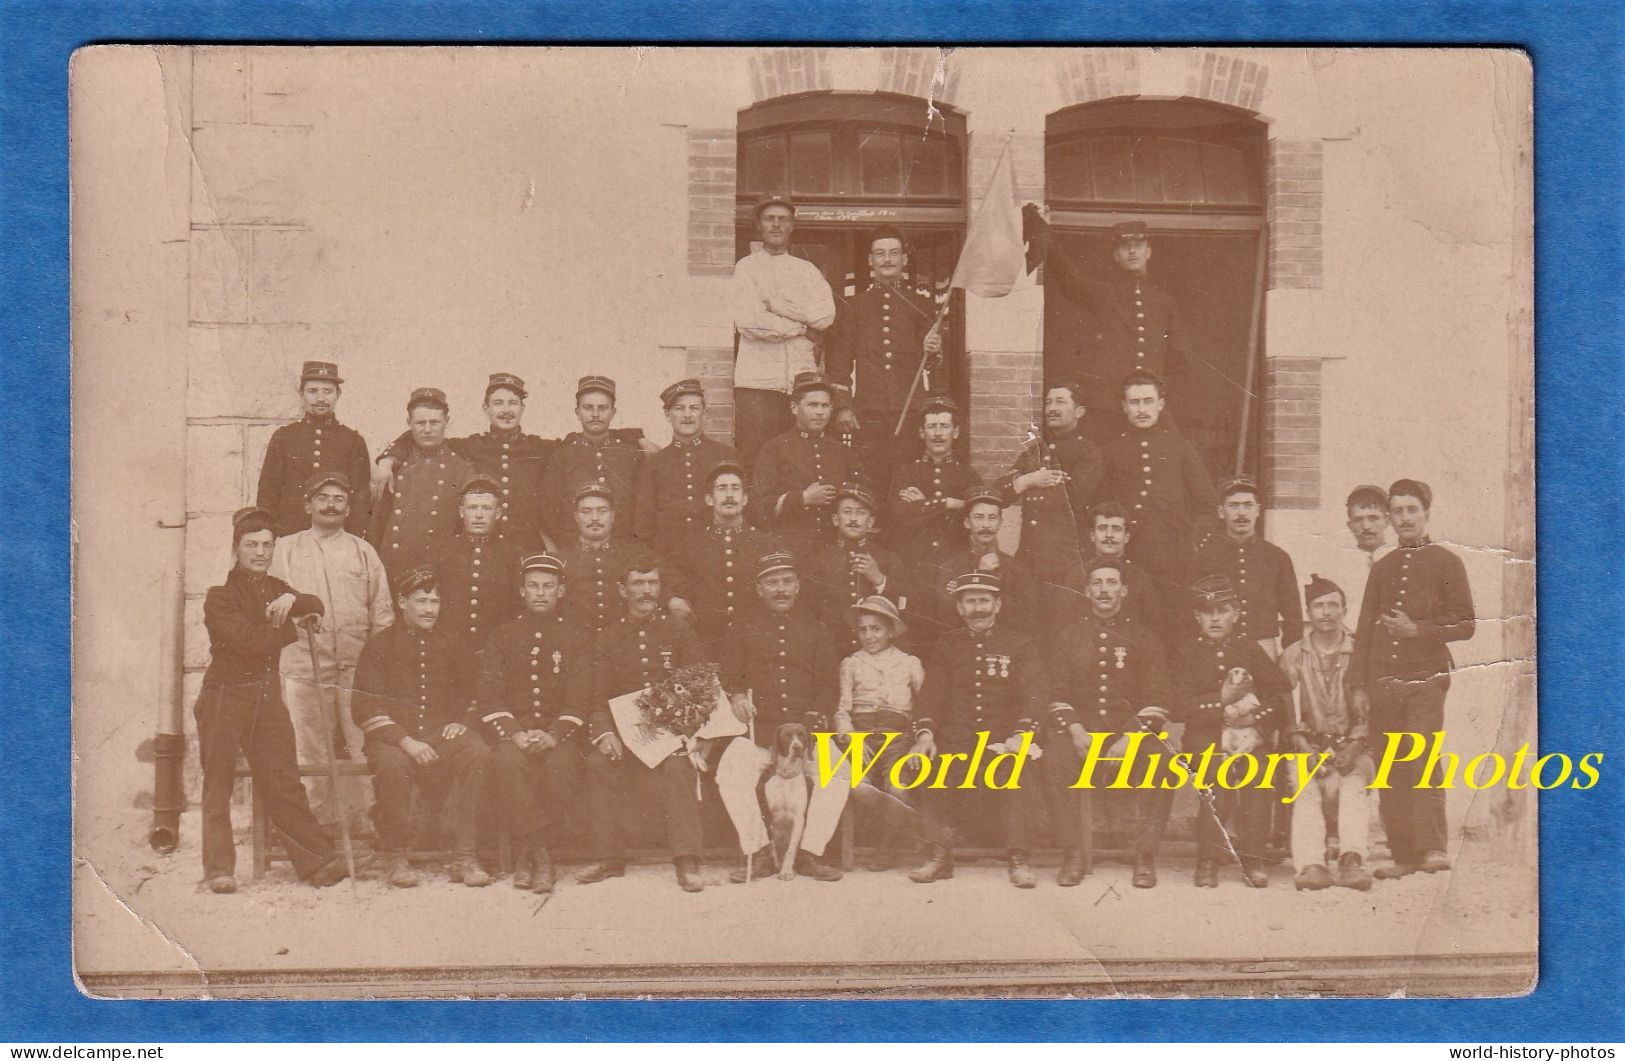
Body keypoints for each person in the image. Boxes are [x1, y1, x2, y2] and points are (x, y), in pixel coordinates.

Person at [193, 507, 350, 894]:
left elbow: (314, 603)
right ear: (237, 548)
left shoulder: (276, 587)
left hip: (266, 697)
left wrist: (295, 604)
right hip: (223, 696)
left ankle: (316, 861)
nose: (260, 552)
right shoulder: (219, 597)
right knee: (219, 782)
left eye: (266, 545)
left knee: (283, 778)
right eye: (252, 545)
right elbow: (246, 641)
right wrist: (288, 624)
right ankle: (219, 869)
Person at [1351, 479, 1475, 880]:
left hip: (1426, 677)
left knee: (1421, 756)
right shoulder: (1384, 567)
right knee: (1391, 762)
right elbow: (1366, 629)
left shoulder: (1446, 563)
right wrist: (1358, 686)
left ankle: (1432, 847)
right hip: (1384, 681)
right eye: (1398, 512)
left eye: (1412, 510)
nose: (1404, 518)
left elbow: (1466, 623)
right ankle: (1403, 852)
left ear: (1426, 515)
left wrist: (1417, 630)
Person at [351, 565, 494, 889]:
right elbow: (364, 707)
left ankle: (465, 856)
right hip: (391, 738)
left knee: (479, 754)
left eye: (434, 601)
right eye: (421, 601)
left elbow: (476, 691)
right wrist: (405, 741)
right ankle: (395, 856)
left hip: (441, 733)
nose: (430, 608)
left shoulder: (451, 641)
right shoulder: (380, 645)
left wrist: (463, 722)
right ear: (402, 602)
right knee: (392, 767)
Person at [266, 471, 394, 831]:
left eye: (339, 499)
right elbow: (270, 605)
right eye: (322, 498)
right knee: (310, 753)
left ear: (349, 508)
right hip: (305, 668)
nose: (331, 505)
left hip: (357, 670)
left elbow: (382, 613)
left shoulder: (362, 551)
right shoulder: (285, 550)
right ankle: (314, 833)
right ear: (308, 505)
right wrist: (292, 607)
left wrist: (377, 663)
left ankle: (375, 830)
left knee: (365, 746)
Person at [574, 560, 710, 892]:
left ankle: (687, 859)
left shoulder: (678, 631)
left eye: (652, 583)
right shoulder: (608, 637)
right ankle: (608, 857)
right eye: (638, 583)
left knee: (679, 765)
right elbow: (598, 697)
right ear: (623, 590)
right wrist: (605, 733)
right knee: (599, 762)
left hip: (670, 727)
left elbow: (698, 684)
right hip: (625, 731)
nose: (646, 591)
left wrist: (682, 728)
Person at [911, 572, 1053, 888]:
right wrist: (925, 734)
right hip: (956, 741)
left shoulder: (1020, 644)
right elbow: (932, 694)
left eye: (984, 600)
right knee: (933, 764)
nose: (978, 608)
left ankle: (1019, 858)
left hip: (1002, 742)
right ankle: (938, 854)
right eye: (971, 601)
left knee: (1019, 769)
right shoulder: (948, 645)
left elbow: (1036, 694)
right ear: (960, 608)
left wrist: (1022, 734)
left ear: (998, 604)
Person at [715, 549, 848, 883]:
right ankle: (760, 852)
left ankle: (808, 853)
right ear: (759, 589)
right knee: (729, 772)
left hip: (806, 736)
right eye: (772, 583)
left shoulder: (816, 629)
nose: (781, 589)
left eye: (787, 581)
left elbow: (829, 684)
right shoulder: (742, 627)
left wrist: (813, 721)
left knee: (840, 771)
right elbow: (729, 677)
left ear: (798, 585)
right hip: (760, 734)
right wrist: (737, 696)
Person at [1047, 557, 1175, 888]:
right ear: (1087, 590)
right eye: (1098, 584)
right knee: (1054, 760)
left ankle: (1144, 855)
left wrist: (1130, 737)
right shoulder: (1067, 637)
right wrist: (1075, 730)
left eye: (1112, 583)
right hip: (1082, 733)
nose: (1105, 591)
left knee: (1162, 760)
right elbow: (1057, 693)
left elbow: (1158, 697)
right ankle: (1073, 852)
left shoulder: (1144, 637)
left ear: (1124, 589)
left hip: (1128, 733)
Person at [476, 553, 598, 893]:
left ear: (561, 591)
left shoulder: (577, 636)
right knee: (506, 763)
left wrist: (555, 734)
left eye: (548, 586)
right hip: (513, 735)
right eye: (533, 586)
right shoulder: (502, 635)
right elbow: (489, 696)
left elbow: (581, 698)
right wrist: (513, 733)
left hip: (560, 736)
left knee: (560, 768)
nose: (540, 593)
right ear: (522, 591)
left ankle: (528, 854)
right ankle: (540, 854)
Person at [1174, 575, 1293, 888]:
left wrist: (1255, 720)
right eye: (1207, 611)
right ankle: (1208, 859)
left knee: (1259, 771)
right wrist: (1219, 704)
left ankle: (1254, 858)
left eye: (1222, 610)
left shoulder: (1249, 650)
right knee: (1216, 770)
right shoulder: (1187, 652)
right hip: (1204, 737)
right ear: (1196, 616)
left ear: (1236, 613)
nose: (1215, 618)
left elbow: (1280, 694)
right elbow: (1178, 705)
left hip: (1250, 734)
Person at [1023, 210, 1190, 432]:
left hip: (1148, 404)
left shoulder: (1164, 302)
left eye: (1138, 245)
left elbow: (1180, 356)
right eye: (1124, 246)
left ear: (1148, 252)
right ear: (1116, 256)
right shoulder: (1105, 295)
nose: (1132, 251)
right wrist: (1043, 235)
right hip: (1109, 405)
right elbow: (1070, 279)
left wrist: (1151, 381)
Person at [370, 373, 559, 550]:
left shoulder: (541, 449)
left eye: (513, 403)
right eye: (498, 403)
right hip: (484, 549)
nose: (506, 410)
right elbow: (420, 436)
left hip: (527, 548)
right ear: (486, 409)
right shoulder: (469, 446)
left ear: (522, 408)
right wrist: (387, 461)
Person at [827, 224, 947, 485]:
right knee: (870, 477)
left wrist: (935, 351)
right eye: (880, 254)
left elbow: (936, 365)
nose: (887, 259)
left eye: (894, 253)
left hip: (911, 408)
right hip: (868, 411)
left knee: (907, 477)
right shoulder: (854, 307)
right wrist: (843, 406)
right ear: (870, 260)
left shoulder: (922, 304)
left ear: (904, 259)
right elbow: (840, 362)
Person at [1279, 574, 1374, 892]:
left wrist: (1355, 746)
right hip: (1309, 743)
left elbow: (1369, 711)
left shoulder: (1360, 651)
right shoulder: (1294, 655)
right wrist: (1302, 744)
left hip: (1352, 744)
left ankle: (1352, 859)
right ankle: (1311, 863)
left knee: (1354, 784)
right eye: (1319, 606)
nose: (1326, 612)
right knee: (1303, 784)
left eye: (1334, 605)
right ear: (1309, 612)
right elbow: (1287, 710)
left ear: (1344, 609)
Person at [730, 193, 837, 461]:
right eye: (769, 219)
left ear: (791, 225)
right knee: (756, 458)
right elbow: (750, 322)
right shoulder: (746, 268)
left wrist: (776, 305)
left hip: (799, 382)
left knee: (798, 459)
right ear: (759, 225)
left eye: (783, 219)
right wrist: (801, 328)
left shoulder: (807, 270)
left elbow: (824, 317)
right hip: (757, 386)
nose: (776, 225)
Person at [1099, 370, 1215, 615]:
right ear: (1124, 406)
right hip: (1128, 554)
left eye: (1148, 401)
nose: (1141, 409)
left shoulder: (1180, 448)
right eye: (1134, 402)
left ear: (1161, 404)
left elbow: (1206, 504)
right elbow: (1099, 503)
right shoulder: (1110, 449)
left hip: (1174, 558)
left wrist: (1192, 544)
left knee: (1173, 621)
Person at [998, 380, 1105, 603]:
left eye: (1060, 402)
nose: (1052, 408)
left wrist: (1026, 483)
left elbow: (1073, 495)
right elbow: (997, 493)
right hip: (1029, 558)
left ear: (1079, 411)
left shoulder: (1089, 452)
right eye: (1048, 402)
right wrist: (1031, 479)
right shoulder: (1034, 451)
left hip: (1066, 562)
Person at [666, 460, 781, 650]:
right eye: (721, 489)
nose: (729, 495)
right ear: (709, 499)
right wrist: (670, 599)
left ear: (745, 499)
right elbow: (667, 579)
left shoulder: (766, 544)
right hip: (705, 641)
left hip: (754, 645)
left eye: (735, 489)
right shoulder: (692, 545)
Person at [255, 361, 372, 537]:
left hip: (337, 536)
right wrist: (271, 536)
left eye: (328, 391)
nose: (320, 398)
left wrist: (354, 539)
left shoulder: (353, 441)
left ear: (338, 395)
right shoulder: (284, 437)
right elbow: (268, 493)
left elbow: (360, 498)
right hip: (290, 533)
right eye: (312, 391)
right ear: (301, 394)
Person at [368, 387, 474, 580]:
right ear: (409, 424)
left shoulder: (462, 470)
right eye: (420, 423)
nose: (427, 430)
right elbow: (376, 523)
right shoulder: (392, 467)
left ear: (447, 423)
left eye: (434, 423)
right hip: (391, 566)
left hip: (437, 570)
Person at [1194, 476, 1302, 657]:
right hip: (1218, 648)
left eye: (1248, 505)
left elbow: (1293, 615)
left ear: (1258, 510)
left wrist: (1290, 654)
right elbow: (1192, 609)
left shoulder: (1277, 557)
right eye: (1233, 506)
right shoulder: (1205, 557)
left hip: (1263, 647)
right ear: (1221, 512)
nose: (1241, 513)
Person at [834, 596, 926, 803]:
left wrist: (917, 737)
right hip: (861, 736)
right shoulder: (851, 663)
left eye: (876, 629)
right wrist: (850, 736)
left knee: (897, 788)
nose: (869, 636)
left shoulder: (909, 663)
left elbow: (924, 707)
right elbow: (842, 709)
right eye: (862, 629)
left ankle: (899, 834)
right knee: (859, 790)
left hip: (897, 738)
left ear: (891, 631)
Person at [919, 491, 1038, 649]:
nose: (986, 525)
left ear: (1001, 523)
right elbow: (946, 617)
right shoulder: (950, 567)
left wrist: (988, 577)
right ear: (967, 523)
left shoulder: (1017, 568)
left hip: (1005, 649)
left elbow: (1025, 619)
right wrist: (980, 575)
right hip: (960, 649)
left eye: (992, 518)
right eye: (978, 517)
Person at [556, 482, 677, 635]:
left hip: (626, 643)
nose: (595, 518)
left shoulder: (637, 554)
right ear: (575, 517)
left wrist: (669, 599)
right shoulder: (560, 560)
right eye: (586, 511)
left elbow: (673, 585)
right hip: (576, 643)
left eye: (602, 511)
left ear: (613, 516)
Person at [803, 482, 911, 655]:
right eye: (847, 512)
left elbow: (908, 607)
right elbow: (809, 610)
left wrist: (879, 579)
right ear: (835, 519)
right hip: (832, 651)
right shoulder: (819, 560)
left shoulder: (889, 559)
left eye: (860, 512)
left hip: (878, 653)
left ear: (871, 522)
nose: (853, 519)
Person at [633, 378, 738, 553]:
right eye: (679, 408)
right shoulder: (655, 463)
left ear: (704, 413)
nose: (687, 415)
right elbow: (643, 523)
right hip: (669, 555)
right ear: (667, 415)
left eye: (694, 408)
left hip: (715, 552)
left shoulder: (725, 455)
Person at [752, 371, 856, 546]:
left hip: (832, 547)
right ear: (794, 408)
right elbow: (757, 508)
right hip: (789, 546)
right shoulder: (774, 448)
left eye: (825, 406)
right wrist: (803, 498)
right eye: (812, 405)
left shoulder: (842, 451)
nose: (819, 412)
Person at [540, 376, 648, 546]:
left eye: (603, 408)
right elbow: (549, 510)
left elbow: (643, 509)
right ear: (577, 412)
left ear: (613, 412)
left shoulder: (632, 455)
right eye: (588, 408)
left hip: (624, 550)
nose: (595, 414)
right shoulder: (562, 456)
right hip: (575, 551)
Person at [425, 473, 522, 652]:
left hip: (496, 651)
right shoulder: (441, 551)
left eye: (486, 508)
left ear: (498, 513)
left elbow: (518, 609)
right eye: (472, 508)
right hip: (447, 650)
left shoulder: (513, 555)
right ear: (461, 512)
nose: (479, 515)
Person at [886, 396, 982, 559]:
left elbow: (975, 517)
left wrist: (923, 506)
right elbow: (900, 515)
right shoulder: (906, 473)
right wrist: (950, 503)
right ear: (922, 432)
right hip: (914, 558)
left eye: (944, 426)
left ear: (956, 432)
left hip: (955, 558)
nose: (938, 434)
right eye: (932, 426)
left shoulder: (968, 475)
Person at [1323, 484, 1397, 615]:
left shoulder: (1401, 559)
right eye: (1358, 520)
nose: (1366, 526)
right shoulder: (1336, 567)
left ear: (1387, 520)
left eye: (1373, 518)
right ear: (1350, 525)